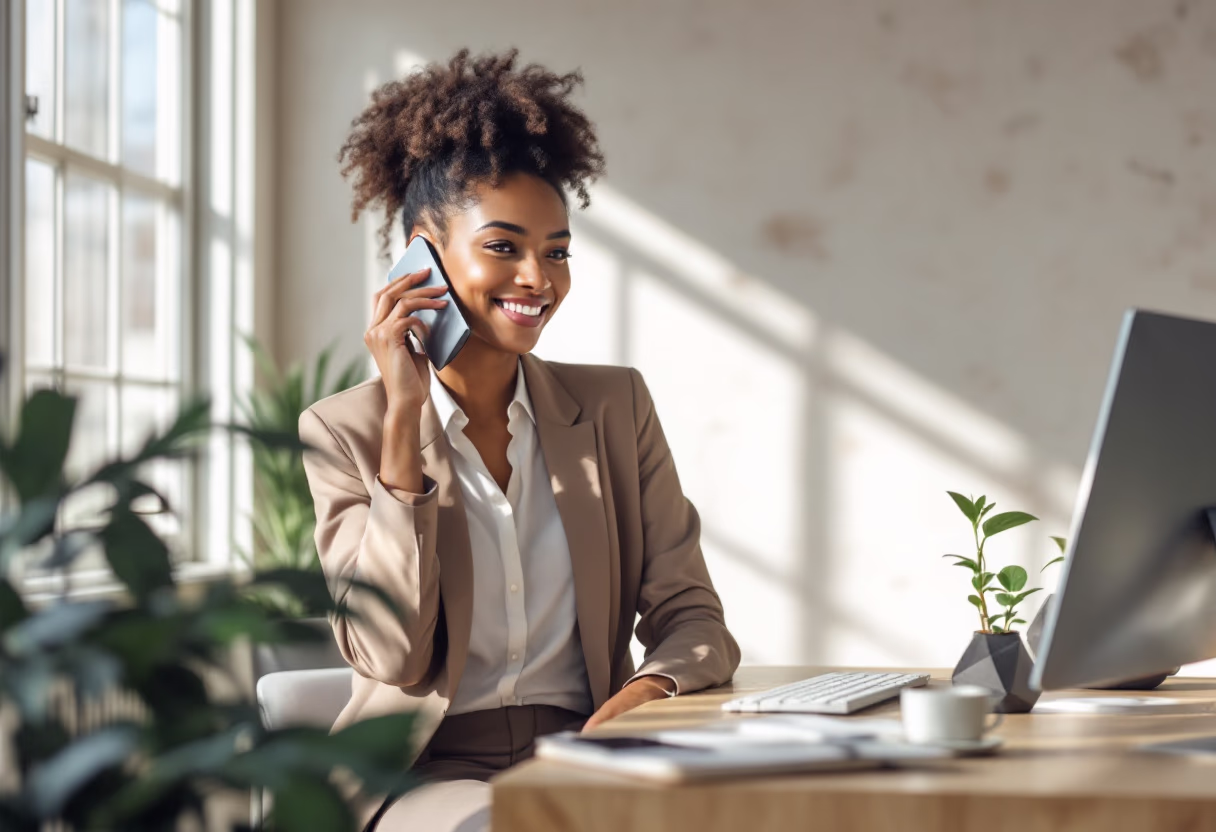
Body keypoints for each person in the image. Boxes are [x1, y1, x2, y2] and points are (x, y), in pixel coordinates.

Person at [300, 48, 741, 832]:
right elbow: (391, 654)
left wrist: (643, 698)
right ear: (420, 258)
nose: (538, 279)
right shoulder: (345, 431)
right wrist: (405, 419)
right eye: (503, 247)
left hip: (590, 755)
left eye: (557, 251)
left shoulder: (613, 407)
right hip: (422, 775)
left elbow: (694, 617)